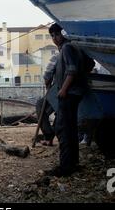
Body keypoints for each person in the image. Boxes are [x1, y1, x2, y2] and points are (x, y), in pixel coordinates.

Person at [45, 23, 95, 177]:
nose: (55, 38)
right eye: (52, 36)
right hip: (76, 93)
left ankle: (65, 167)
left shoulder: (67, 48)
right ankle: (74, 163)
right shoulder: (76, 47)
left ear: (63, 34)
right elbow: (90, 63)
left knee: (64, 129)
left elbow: (72, 71)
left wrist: (63, 89)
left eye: (56, 34)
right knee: (71, 129)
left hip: (69, 94)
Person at [36, 53, 58, 146]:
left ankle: (49, 136)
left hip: (59, 90)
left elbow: (47, 75)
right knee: (60, 113)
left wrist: (48, 87)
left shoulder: (58, 56)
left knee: (40, 106)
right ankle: (49, 136)